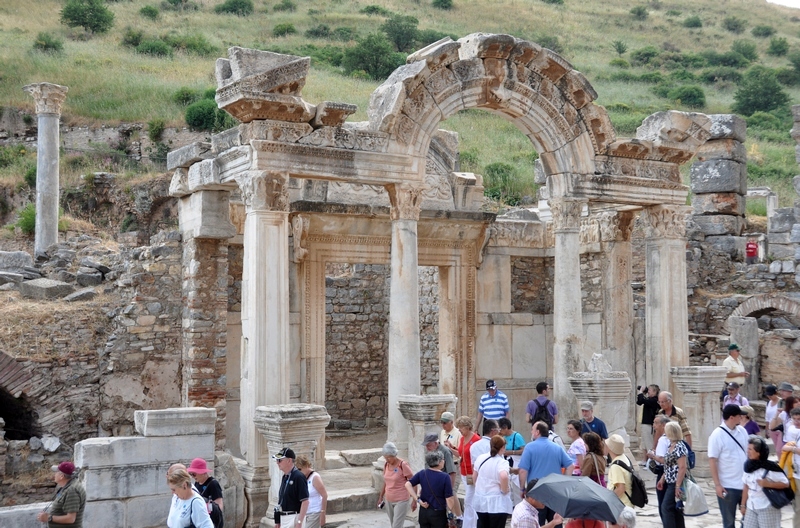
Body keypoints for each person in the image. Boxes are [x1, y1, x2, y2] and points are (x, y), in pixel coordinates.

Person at [518, 421, 574, 527]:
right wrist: (564, 483)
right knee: (557, 522)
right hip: (555, 492)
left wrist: (522, 488)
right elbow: (570, 466)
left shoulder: (529, 447)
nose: (531, 431)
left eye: (533, 429)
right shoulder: (557, 448)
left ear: (537, 432)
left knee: (538, 523)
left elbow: (522, 470)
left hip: (537, 492)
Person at [709, 404, 748, 528]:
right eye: (739, 416)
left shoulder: (742, 431)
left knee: (749, 520)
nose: (741, 418)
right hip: (728, 485)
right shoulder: (717, 435)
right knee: (729, 522)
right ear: (732, 417)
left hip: (745, 484)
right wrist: (718, 485)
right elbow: (712, 460)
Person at [741, 435, 790, 528]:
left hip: (767, 507)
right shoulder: (748, 466)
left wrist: (768, 484)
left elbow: (786, 484)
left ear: (758, 452)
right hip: (751, 506)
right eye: (748, 449)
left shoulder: (770, 468)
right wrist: (743, 505)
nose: (748, 451)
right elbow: (745, 486)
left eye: (750, 449)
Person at [405, 450, 456, 528]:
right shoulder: (445, 477)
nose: (444, 461)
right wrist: (451, 513)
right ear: (439, 462)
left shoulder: (422, 473)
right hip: (438, 513)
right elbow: (449, 499)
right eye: (443, 459)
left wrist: (417, 500)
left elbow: (407, 484)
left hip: (423, 511)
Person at [472, 435, 514, 528]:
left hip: (481, 499)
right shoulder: (501, 462)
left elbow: (474, 476)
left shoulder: (480, 458)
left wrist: (479, 487)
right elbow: (503, 476)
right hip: (497, 502)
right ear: (503, 447)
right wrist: (504, 490)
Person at [36, 461, 86, 527]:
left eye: (56, 472)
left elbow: (70, 519)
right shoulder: (69, 486)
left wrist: (49, 517)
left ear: (61, 476)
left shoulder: (72, 491)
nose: (54, 475)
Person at [656, 422, 688, 528]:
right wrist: (662, 478)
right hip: (670, 481)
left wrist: (678, 486)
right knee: (676, 508)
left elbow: (682, 467)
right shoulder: (671, 445)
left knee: (666, 507)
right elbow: (670, 465)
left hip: (676, 482)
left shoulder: (679, 446)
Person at [423, 432, 462, 518]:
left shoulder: (445, 451)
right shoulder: (430, 451)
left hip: (446, 479)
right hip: (436, 483)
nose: (427, 447)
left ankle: (458, 517)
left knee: (452, 495)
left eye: (429, 445)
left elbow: (452, 472)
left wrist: (450, 489)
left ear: (436, 443)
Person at [378, 442, 416, 528]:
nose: (387, 460)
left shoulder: (403, 465)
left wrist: (414, 500)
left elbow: (413, 482)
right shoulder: (386, 465)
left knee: (396, 526)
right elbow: (385, 482)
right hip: (388, 499)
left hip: (401, 500)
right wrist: (381, 496)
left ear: (394, 455)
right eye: (385, 458)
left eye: (388, 458)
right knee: (393, 524)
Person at [273, 447, 309, 528]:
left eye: (280, 460)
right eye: (277, 460)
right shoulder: (285, 476)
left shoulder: (298, 477)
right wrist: (278, 521)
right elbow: (282, 500)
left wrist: (299, 522)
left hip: (294, 517)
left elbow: (305, 501)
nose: (277, 463)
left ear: (289, 461)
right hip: (284, 518)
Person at [456, 415, 482, 528]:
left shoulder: (476, 439)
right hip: (463, 472)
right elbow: (460, 453)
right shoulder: (462, 439)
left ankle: (470, 525)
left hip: (473, 474)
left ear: (467, 427)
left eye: (461, 427)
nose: (460, 430)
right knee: (470, 500)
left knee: (468, 500)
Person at [645, 415, 671, 522]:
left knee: (662, 502)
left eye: (656, 423)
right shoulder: (673, 439)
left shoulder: (663, 439)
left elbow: (662, 459)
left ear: (663, 425)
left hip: (663, 472)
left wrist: (652, 456)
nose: (654, 426)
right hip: (670, 472)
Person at [188, 458, 224, 527]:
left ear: (202, 472)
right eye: (191, 474)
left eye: (194, 474)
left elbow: (219, 506)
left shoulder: (213, 484)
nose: (192, 477)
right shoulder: (197, 483)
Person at [780, 406, 800, 528]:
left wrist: (792, 449)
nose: (797, 421)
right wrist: (793, 449)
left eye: (799, 419)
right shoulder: (791, 429)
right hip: (795, 472)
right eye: (795, 419)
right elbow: (785, 447)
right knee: (798, 507)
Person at [499, 417, 526, 503]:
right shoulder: (502, 437)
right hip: (507, 462)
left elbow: (524, 450)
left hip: (516, 462)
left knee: (516, 486)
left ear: (505, 427)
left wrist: (511, 452)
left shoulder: (517, 436)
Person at [295, 455, 327, 528]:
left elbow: (324, 495)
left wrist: (323, 513)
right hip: (305, 514)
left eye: (300, 469)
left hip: (315, 512)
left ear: (306, 466)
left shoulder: (315, 477)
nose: (299, 472)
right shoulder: (301, 478)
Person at [605, 434, 633, 508]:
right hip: (628, 503)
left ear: (609, 448)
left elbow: (620, 488)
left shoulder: (616, 466)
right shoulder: (625, 458)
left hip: (621, 505)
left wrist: (608, 500)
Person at [635, 384, 660, 466]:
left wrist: (641, 392)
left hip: (649, 424)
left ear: (654, 391)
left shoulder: (654, 400)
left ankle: (652, 463)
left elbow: (643, 400)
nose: (648, 391)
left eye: (649, 390)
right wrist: (642, 393)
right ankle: (645, 460)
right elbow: (639, 402)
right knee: (644, 444)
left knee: (649, 443)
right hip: (644, 422)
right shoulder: (650, 399)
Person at [764, 385, 783, 453]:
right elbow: (767, 417)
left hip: (780, 428)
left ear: (775, 393)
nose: (769, 397)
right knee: (776, 447)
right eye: (768, 395)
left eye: (771, 395)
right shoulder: (768, 403)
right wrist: (766, 429)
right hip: (772, 428)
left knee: (779, 449)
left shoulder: (781, 402)